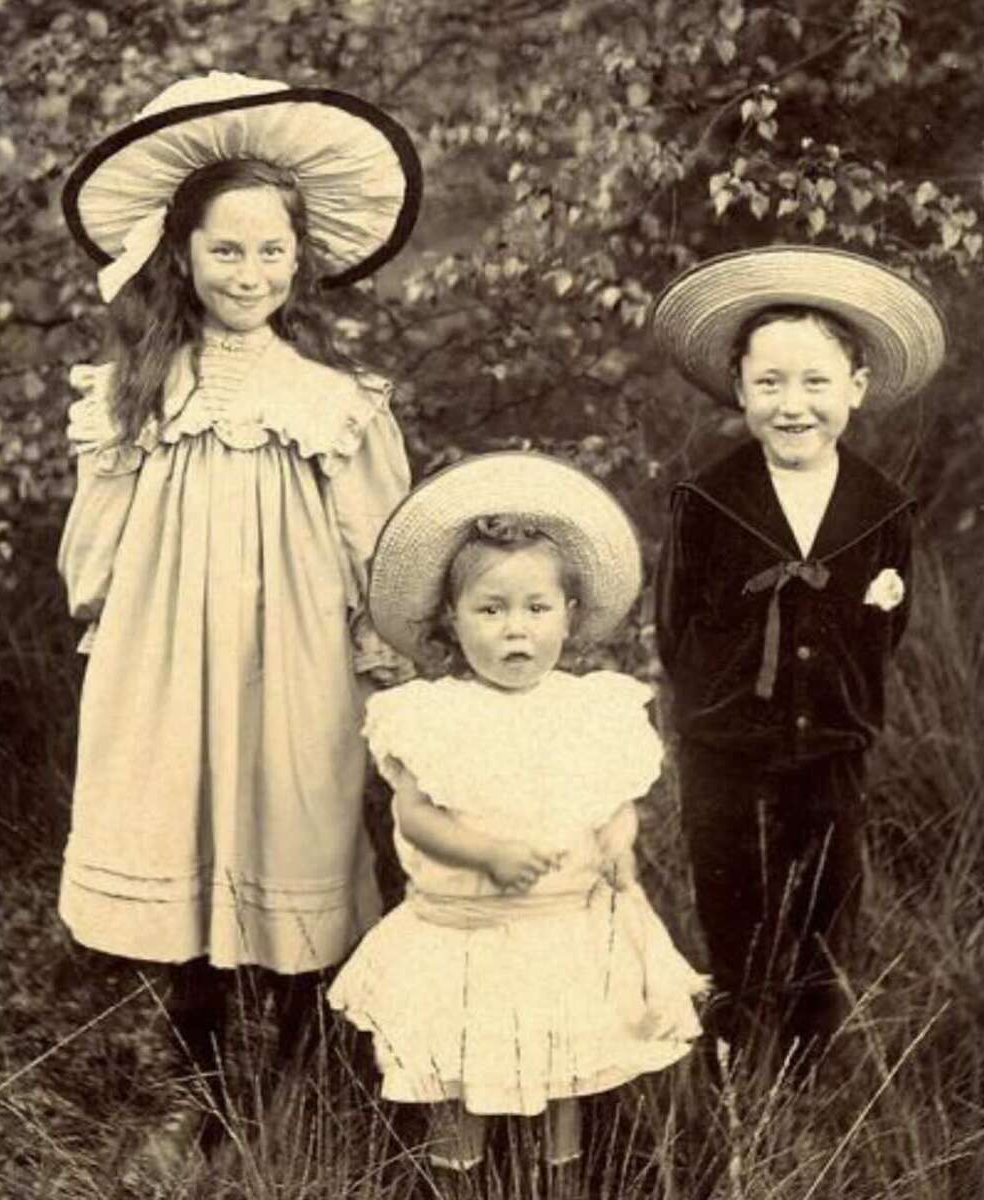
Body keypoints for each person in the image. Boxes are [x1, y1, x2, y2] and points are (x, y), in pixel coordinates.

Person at [56, 72, 421, 1171]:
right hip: (167, 656)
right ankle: (196, 1089)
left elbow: (379, 551)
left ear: (300, 260)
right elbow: (96, 547)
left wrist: (380, 658)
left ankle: (295, 1079)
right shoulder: (134, 392)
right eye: (226, 251)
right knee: (181, 834)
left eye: (271, 251)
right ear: (182, 255)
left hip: (294, 658)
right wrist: (117, 632)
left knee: (295, 830)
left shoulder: (335, 402)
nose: (249, 273)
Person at [327, 452, 708, 1181]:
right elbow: (416, 818)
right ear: (451, 617)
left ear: (569, 615)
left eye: (536, 609)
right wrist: (486, 854)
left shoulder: (588, 709)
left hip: (560, 927)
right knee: (458, 1062)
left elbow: (613, 806)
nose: (515, 631)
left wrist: (617, 845)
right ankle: (457, 1174)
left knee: (564, 1063)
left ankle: (557, 1176)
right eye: (490, 610)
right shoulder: (433, 716)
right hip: (467, 930)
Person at [651, 245, 946, 1074]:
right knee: (732, 890)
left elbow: (889, 624)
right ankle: (736, 1044)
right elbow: (675, 626)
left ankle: (810, 1057)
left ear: (855, 386)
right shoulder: (708, 500)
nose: (792, 406)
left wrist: (840, 681)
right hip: (725, 740)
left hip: (833, 736)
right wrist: (717, 706)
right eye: (770, 383)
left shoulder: (880, 506)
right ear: (738, 388)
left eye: (815, 382)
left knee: (827, 891)